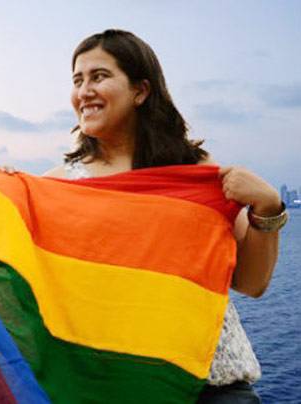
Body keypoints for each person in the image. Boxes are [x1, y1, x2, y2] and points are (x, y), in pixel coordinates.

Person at [39, 29, 286, 403]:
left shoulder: (191, 172)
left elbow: (251, 282)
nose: (84, 91)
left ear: (141, 90)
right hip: (118, 390)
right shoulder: (59, 186)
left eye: (99, 76)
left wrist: (268, 208)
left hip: (213, 389)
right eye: (78, 80)